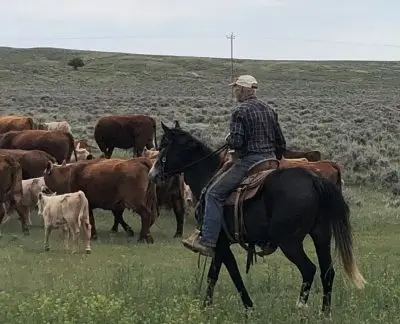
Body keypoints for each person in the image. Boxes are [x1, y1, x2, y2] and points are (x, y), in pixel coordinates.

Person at [182, 75, 287, 257]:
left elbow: (237, 143)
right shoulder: (270, 109)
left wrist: (228, 139)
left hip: (249, 162)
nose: (235, 91)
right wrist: (274, 159)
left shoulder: (240, 111)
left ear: (243, 89)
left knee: (214, 194)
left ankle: (207, 240)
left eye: (236, 88)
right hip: (270, 161)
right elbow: (281, 143)